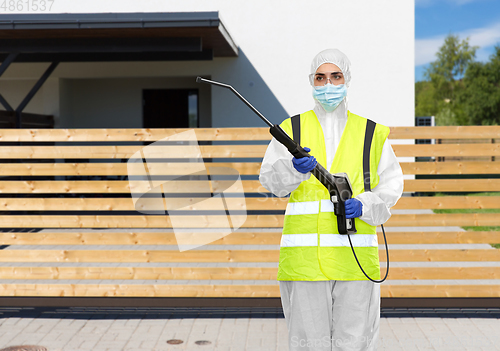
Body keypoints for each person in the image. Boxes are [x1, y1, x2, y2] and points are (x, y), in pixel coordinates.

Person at [259, 49, 404, 350]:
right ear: (311, 82)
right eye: (320, 77)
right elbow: (270, 182)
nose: (328, 85)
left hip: (355, 261)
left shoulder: (371, 133)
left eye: (335, 76)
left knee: (355, 344)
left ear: (347, 79)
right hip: (305, 263)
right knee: (308, 344)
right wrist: (292, 169)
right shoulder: (291, 130)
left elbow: (391, 187)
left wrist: (366, 205)